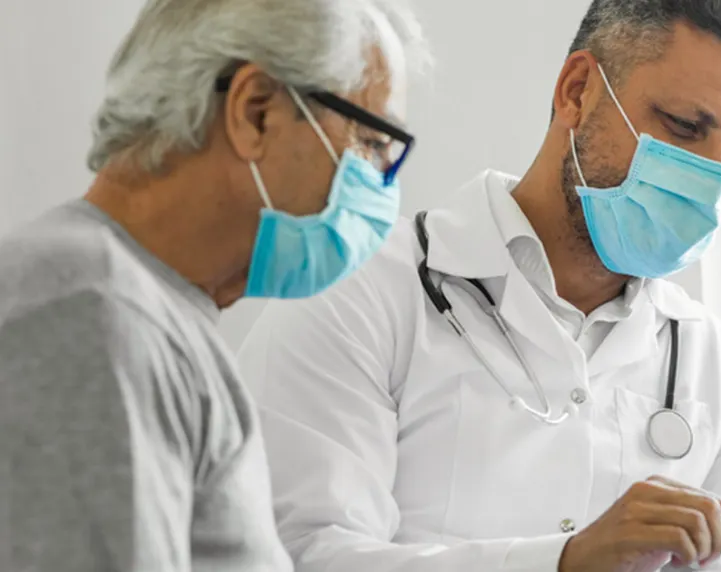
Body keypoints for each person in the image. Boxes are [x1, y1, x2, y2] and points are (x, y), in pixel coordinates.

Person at [237, 1, 721, 571]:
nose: (709, 174)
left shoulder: (707, 360)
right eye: (685, 125)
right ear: (576, 92)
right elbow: (304, 555)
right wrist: (560, 563)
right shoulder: (361, 290)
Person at [0, 0, 427, 570]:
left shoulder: (147, 311)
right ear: (256, 112)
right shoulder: (93, 318)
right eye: (373, 145)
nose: (381, 186)